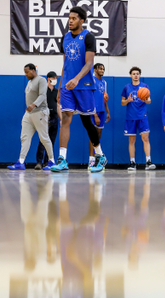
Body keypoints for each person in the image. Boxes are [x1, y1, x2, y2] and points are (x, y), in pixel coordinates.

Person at [51, 6, 107, 173]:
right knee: (66, 119)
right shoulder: (65, 38)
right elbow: (65, 64)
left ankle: (100, 155)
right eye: (69, 18)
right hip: (67, 85)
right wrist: (61, 86)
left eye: (74, 18)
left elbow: (89, 63)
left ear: (81, 21)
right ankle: (62, 159)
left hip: (84, 85)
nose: (70, 20)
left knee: (86, 122)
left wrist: (77, 78)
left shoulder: (88, 37)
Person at [8, 64, 56, 170]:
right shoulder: (29, 82)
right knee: (24, 137)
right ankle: (21, 162)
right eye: (24, 72)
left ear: (33, 70)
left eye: (27, 72)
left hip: (40, 112)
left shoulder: (41, 80)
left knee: (44, 138)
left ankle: (51, 161)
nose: (25, 74)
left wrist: (34, 104)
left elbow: (43, 95)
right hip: (29, 114)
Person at [121, 66, 155, 171]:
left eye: (137, 73)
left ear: (140, 75)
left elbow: (149, 101)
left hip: (142, 116)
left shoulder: (145, 86)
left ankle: (148, 161)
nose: (136, 75)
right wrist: (128, 100)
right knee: (131, 140)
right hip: (131, 117)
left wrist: (145, 100)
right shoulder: (127, 87)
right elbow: (122, 102)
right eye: (134, 73)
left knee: (145, 138)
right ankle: (132, 162)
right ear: (130, 75)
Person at [35, 71, 61, 170]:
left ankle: (47, 162)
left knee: (51, 141)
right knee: (43, 140)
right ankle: (39, 162)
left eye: (56, 78)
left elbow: (58, 105)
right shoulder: (43, 90)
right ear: (48, 78)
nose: (55, 80)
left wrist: (61, 119)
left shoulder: (56, 91)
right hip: (44, 116)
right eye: (53, 78)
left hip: (54, 117)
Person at [88, 63, 111, 169]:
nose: (102, 70)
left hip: (102, 111)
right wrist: (95, 114)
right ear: (95, 69)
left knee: (98, 135)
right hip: (93, 111)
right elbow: (90, 98)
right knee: (92, 135)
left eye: (103, 68)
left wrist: (108, 112)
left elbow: (104, 98)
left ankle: (98, 158)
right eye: (100, 68)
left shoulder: (104, 82)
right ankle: (91, 160)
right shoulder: (91, 80)